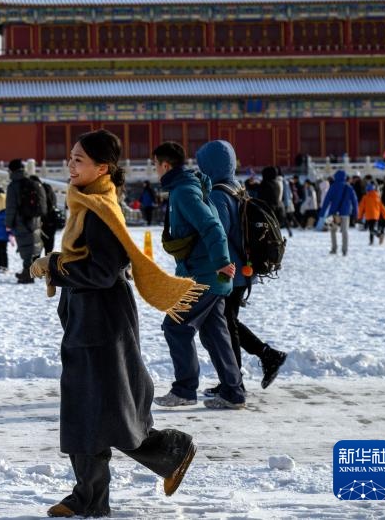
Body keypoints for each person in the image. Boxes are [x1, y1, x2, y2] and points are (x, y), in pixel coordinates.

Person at [29, 130, 201, 518]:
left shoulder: (100, 209)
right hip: (90, 320)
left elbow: (103, 271)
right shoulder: (88, 201)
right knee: (94, 412)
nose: (70, 165)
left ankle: (160, 457)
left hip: (101, 325)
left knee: (98, 412)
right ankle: (93, 495)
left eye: (79, 160)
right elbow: (92, 263)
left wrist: (56, 265)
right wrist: (60, 262)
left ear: (101, 168)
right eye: (70, 158)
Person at [152, 141, 244, 409]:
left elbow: (213, 227)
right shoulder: (190, 187)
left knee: (175, 326)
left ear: (165, 165)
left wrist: (221, 262)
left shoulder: (184, 191)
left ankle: (184, 390)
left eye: (156, 164)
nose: (155, 169)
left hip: (205, 275)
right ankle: (233, 393)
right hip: (207, 274)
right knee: (214, 332)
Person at [196, 140, 288, 392]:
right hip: (244, 269)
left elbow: (219, 234)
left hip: (229, 272)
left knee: (225, 326)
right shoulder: (238, 188)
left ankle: (234, 383)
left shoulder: (217, 193)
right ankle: (265, 357)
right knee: (228, 322)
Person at [5, 158, 44, 284]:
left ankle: (28, 274)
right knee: (32, 245)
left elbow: (11, 207)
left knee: (25, 246)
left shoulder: (13, 186)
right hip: (35, 219)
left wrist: (8, 224)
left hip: (22, 220)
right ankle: (28, 271)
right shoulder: (32, 182)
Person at [315, 170, 359, 256]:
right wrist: (355, 213)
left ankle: (334, 249)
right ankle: (344, 250)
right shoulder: (349, 187)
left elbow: (326, 201)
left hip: (333, 213)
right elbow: (355, 201)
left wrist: (322, 213)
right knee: (345, 231)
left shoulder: (333, 186)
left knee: (332, 231)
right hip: (345, 213)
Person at [37, 175, 60, 255]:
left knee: (37, 250)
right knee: (49, 248)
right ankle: (47, 264)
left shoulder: (38, 190)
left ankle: (37, 266)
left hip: (41, 221)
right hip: (51, 222)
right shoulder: (49, 189)